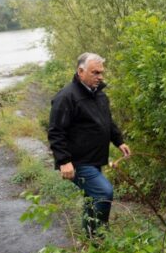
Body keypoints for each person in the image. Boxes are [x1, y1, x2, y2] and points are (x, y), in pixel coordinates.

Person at [48, 52, 131, 236]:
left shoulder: (99, 95)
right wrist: (63, 161)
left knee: (92, 197)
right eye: (95, 72)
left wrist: (119, 141)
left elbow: (107, 121)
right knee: (103, 192)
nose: (100, 77)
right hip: (78, 161)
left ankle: (90, 236)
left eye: (101, 72)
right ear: (80, 71)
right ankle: (99, 235)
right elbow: (55, 131)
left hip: (94, 159)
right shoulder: (66, 97)